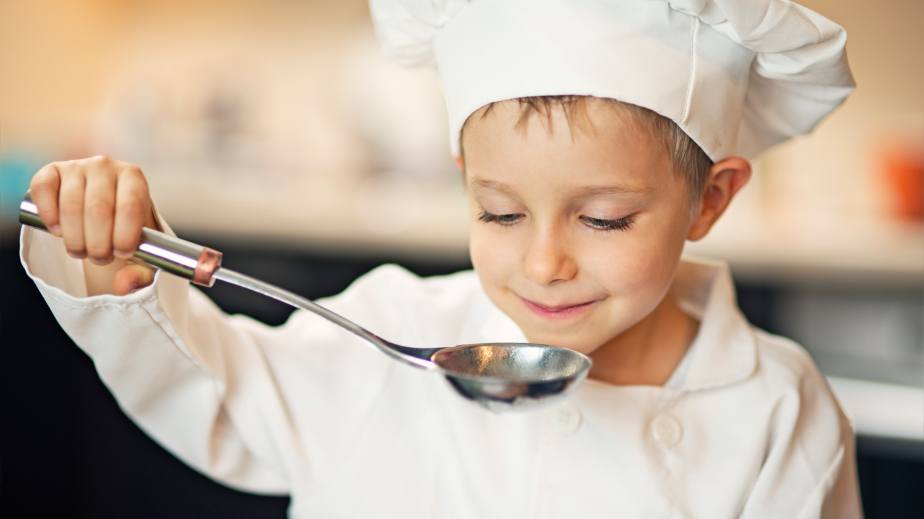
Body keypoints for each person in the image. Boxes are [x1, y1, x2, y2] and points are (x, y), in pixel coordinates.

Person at [20, 0, 862, 517]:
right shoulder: (391, 334)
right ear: (465, 182)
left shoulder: (777, 412)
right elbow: (215, 388)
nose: (543, 262)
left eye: (604, 219)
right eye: (499, 210)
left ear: (710, 199)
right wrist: (108, 258)